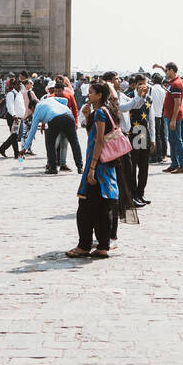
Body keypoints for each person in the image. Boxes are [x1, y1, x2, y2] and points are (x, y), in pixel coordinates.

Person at [66, 80, 121, 258]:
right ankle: (103, 246)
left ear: (99, 95)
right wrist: (88, 118)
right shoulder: (108, 110)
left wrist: (91, 168)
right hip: (107, 166)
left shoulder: (100, 113)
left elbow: (98, 141)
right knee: (102, 206)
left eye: (91, 92)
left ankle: (84, 245)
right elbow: (95, 136)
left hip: (98, 167)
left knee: (85, 207)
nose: (87, 95)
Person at [22, 89, 82, 173]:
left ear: (32, 107)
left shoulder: (36, 111)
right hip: (68, 116)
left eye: (31, 111)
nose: (32, 113)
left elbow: (32, 131)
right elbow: (65, 100)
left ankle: (53, 168)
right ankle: (80, 167)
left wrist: (25, 148)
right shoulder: (49, 99)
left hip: (55, 119)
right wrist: (62, 108)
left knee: (50, 143)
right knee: (74, 143)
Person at [120, 75, 155, 205]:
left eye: (145, 83)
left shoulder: (149, 99)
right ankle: (133, 194)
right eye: (140, 84)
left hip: (144, 133)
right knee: (132, 166)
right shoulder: (129, 97)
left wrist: (153, 138)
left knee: (144, 167)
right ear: (135, 85)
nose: (143, 86)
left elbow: (151, 118)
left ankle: (141, 193)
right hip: (132, 133)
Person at [163, 62, 183, 172]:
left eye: (166, 70)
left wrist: (173, 120)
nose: (165, 72)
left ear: (171, 70)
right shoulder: (174, 82)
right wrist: (159, 67)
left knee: (177, 140)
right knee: (172, 141)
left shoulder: (176, 84)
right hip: (170, 116)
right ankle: (174, 163)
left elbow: (177, 103)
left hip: (174, 117)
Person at [0, 77, 26, 159]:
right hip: (13, 117)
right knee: (14, 136)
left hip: (19, 117)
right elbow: (10, 106)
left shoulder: (20, 94)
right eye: (18, 84)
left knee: (14, 136)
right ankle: (17, 154)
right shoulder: (11, 94)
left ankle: (2, 149)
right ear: (14, 85)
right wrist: (14, 115)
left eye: (21, 84)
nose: (20, 86)